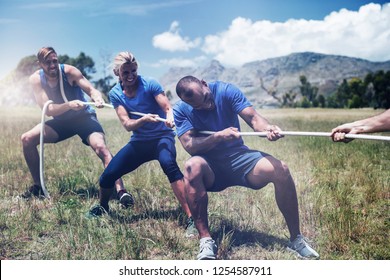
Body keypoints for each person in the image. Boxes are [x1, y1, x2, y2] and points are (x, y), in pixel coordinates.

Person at [173, 75, 320, 260]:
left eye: (205, 98)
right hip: (210, 166)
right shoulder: (180, 110)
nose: (205, 106)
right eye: (197, 106)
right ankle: (206, 240)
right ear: (185, 102)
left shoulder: (226, 91)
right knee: (191, 166)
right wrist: (218, 137)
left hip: (240, 158)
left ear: (204, 84)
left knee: (281, 169)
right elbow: (190, 145)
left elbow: (254, 119)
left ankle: (296, 240)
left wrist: (267, 129)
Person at [88, 52, 197, 237]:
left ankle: (192, 218)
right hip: (139, 142)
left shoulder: (150, 84)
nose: (131, 76)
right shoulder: (115, 94)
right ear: (117, 73)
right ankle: (103, 207)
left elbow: (168, 108)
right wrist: (144, 119)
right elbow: (127, 124)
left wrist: (170, 119)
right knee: (107, 176)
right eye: (126, 73)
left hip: (162, 138)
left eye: (133, 71)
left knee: (168, 164)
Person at [21, 47, 133, 208]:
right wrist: (68, 105)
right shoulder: (36, 79)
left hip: (84, 118)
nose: (53, 65)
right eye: (48, 62)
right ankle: (38, 187)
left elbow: (91, 89)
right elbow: (49, 110)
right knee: (27, 139)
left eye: (55, 61)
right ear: (40, 64)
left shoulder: (69, 72)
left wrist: (97, 97)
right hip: (61, 121)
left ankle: (121, 191)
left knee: (101, 148)